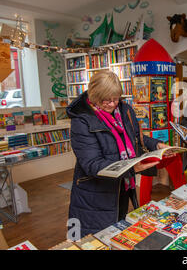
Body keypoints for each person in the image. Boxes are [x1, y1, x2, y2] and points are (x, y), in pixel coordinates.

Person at [66, 70, 171, 237]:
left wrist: (157, 145)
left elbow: (136, 137)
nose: (112, 104)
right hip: (95, 194)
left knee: (116, 233)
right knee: (96, 238)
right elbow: (92, 164)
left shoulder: (125, 110)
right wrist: (131, 168)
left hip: (122, 186)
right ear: (94, 97)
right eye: (106, 100)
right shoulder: (82, 120)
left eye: (115, 99)